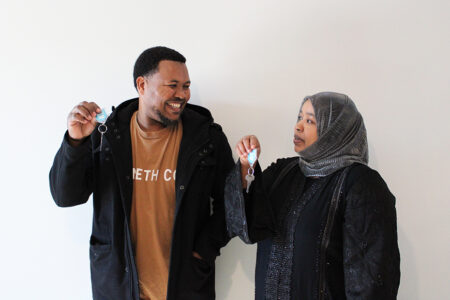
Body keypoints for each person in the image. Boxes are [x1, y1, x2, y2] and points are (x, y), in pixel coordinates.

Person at [49, 46, 234, 300]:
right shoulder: (107, 137)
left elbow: (232, 202)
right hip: (118, 288)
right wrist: (75, 142)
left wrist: (204, 248)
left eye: (186, 86)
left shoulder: (206, 138)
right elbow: (65, 196)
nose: (182, 95)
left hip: (186, 287)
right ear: (142, 85)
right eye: (173, 85)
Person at [225, 92, 400, 300]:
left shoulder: (361, 184)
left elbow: (371, 275)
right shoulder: (285, 172)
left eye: (310, 120)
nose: (298, 126)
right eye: (299, 117)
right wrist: (246, 166)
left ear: (335, 131)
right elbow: (247, 227)